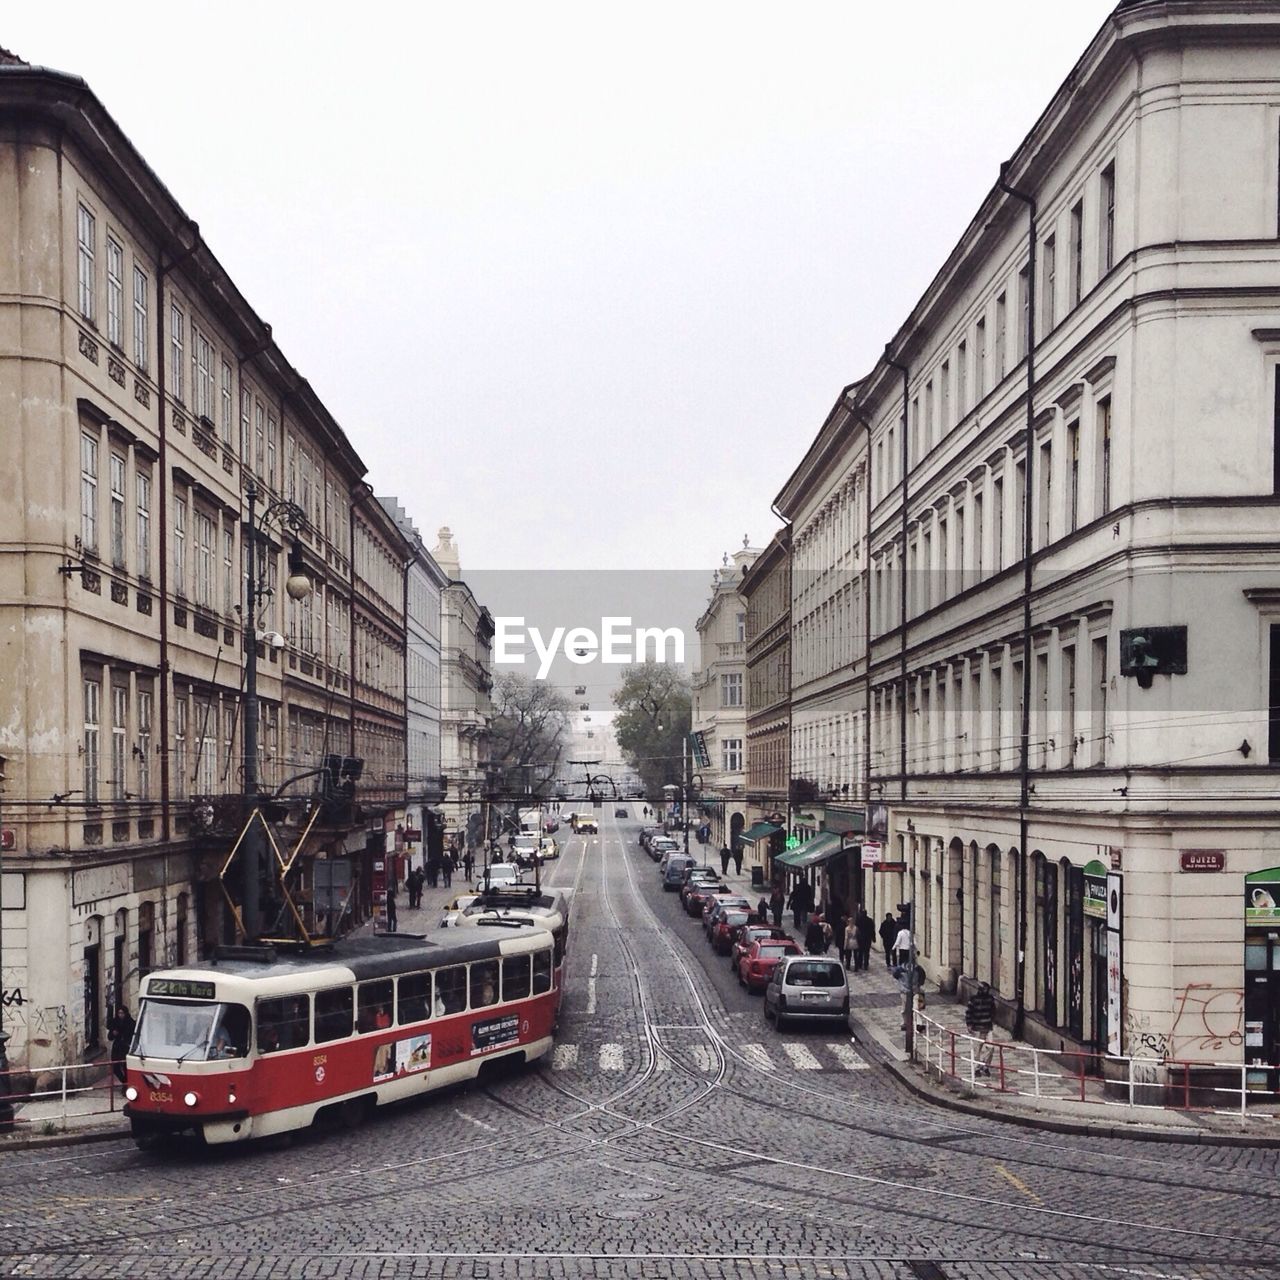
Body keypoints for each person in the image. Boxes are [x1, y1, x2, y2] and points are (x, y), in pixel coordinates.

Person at [965, 980, 997, 1075]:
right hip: (977, 1028)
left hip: (988, 1027)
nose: (986, 991)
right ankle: (977, 1069)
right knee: (977, 1050)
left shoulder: (990, 999)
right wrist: (969, 1025)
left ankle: (984, 1065)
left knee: (991, 1048)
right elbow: (969, 1012)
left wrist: (991, 1019)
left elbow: (993, 1010)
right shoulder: (974, 999)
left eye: (987, 989)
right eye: (985, 989)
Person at [106, 1004, 135, 1083]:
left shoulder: (130, 1022)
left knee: (126, 1067)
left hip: (126, 1047)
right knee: (115, 1067)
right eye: (119, 1013)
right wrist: (113, 1033)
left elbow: (132, 1035)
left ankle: (126, 1084)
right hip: (117, 1047)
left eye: (122, 1013)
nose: (120, 1015)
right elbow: (110, 1037)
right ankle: (124, 1082)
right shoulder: (115, 1022)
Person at [854, 907, 875, 972]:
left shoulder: (858, 920)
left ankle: (860, 964)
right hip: (867, 939)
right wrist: (873, 937)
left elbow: (856, 929)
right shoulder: (870, 920)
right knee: (866, 952)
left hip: (860, 939)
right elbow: (872, 930)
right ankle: (865, 965)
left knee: (860, 952)